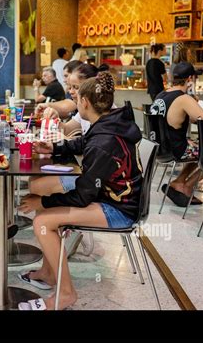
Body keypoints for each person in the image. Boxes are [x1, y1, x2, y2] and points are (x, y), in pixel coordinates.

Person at [18, 72, 142, 310]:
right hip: (112, 193)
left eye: (77, 97)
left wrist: (43, 204)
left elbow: (85, 195)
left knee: (43, 222)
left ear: (85, 102)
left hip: (119, 207)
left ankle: (65, 293)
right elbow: (83, 143)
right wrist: (55, 146)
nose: (74, 101)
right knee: (45, 202)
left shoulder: (103, 143)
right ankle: (49, 273)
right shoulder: (111, 123)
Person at [150, 62, 203, 206]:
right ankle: (187, 186)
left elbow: (190, 117)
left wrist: (193, 102)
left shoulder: (161, 95)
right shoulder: (183, 98)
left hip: (161, 149)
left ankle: (179, 182)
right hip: (177, 150)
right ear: (190, 79)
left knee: (199, 147)